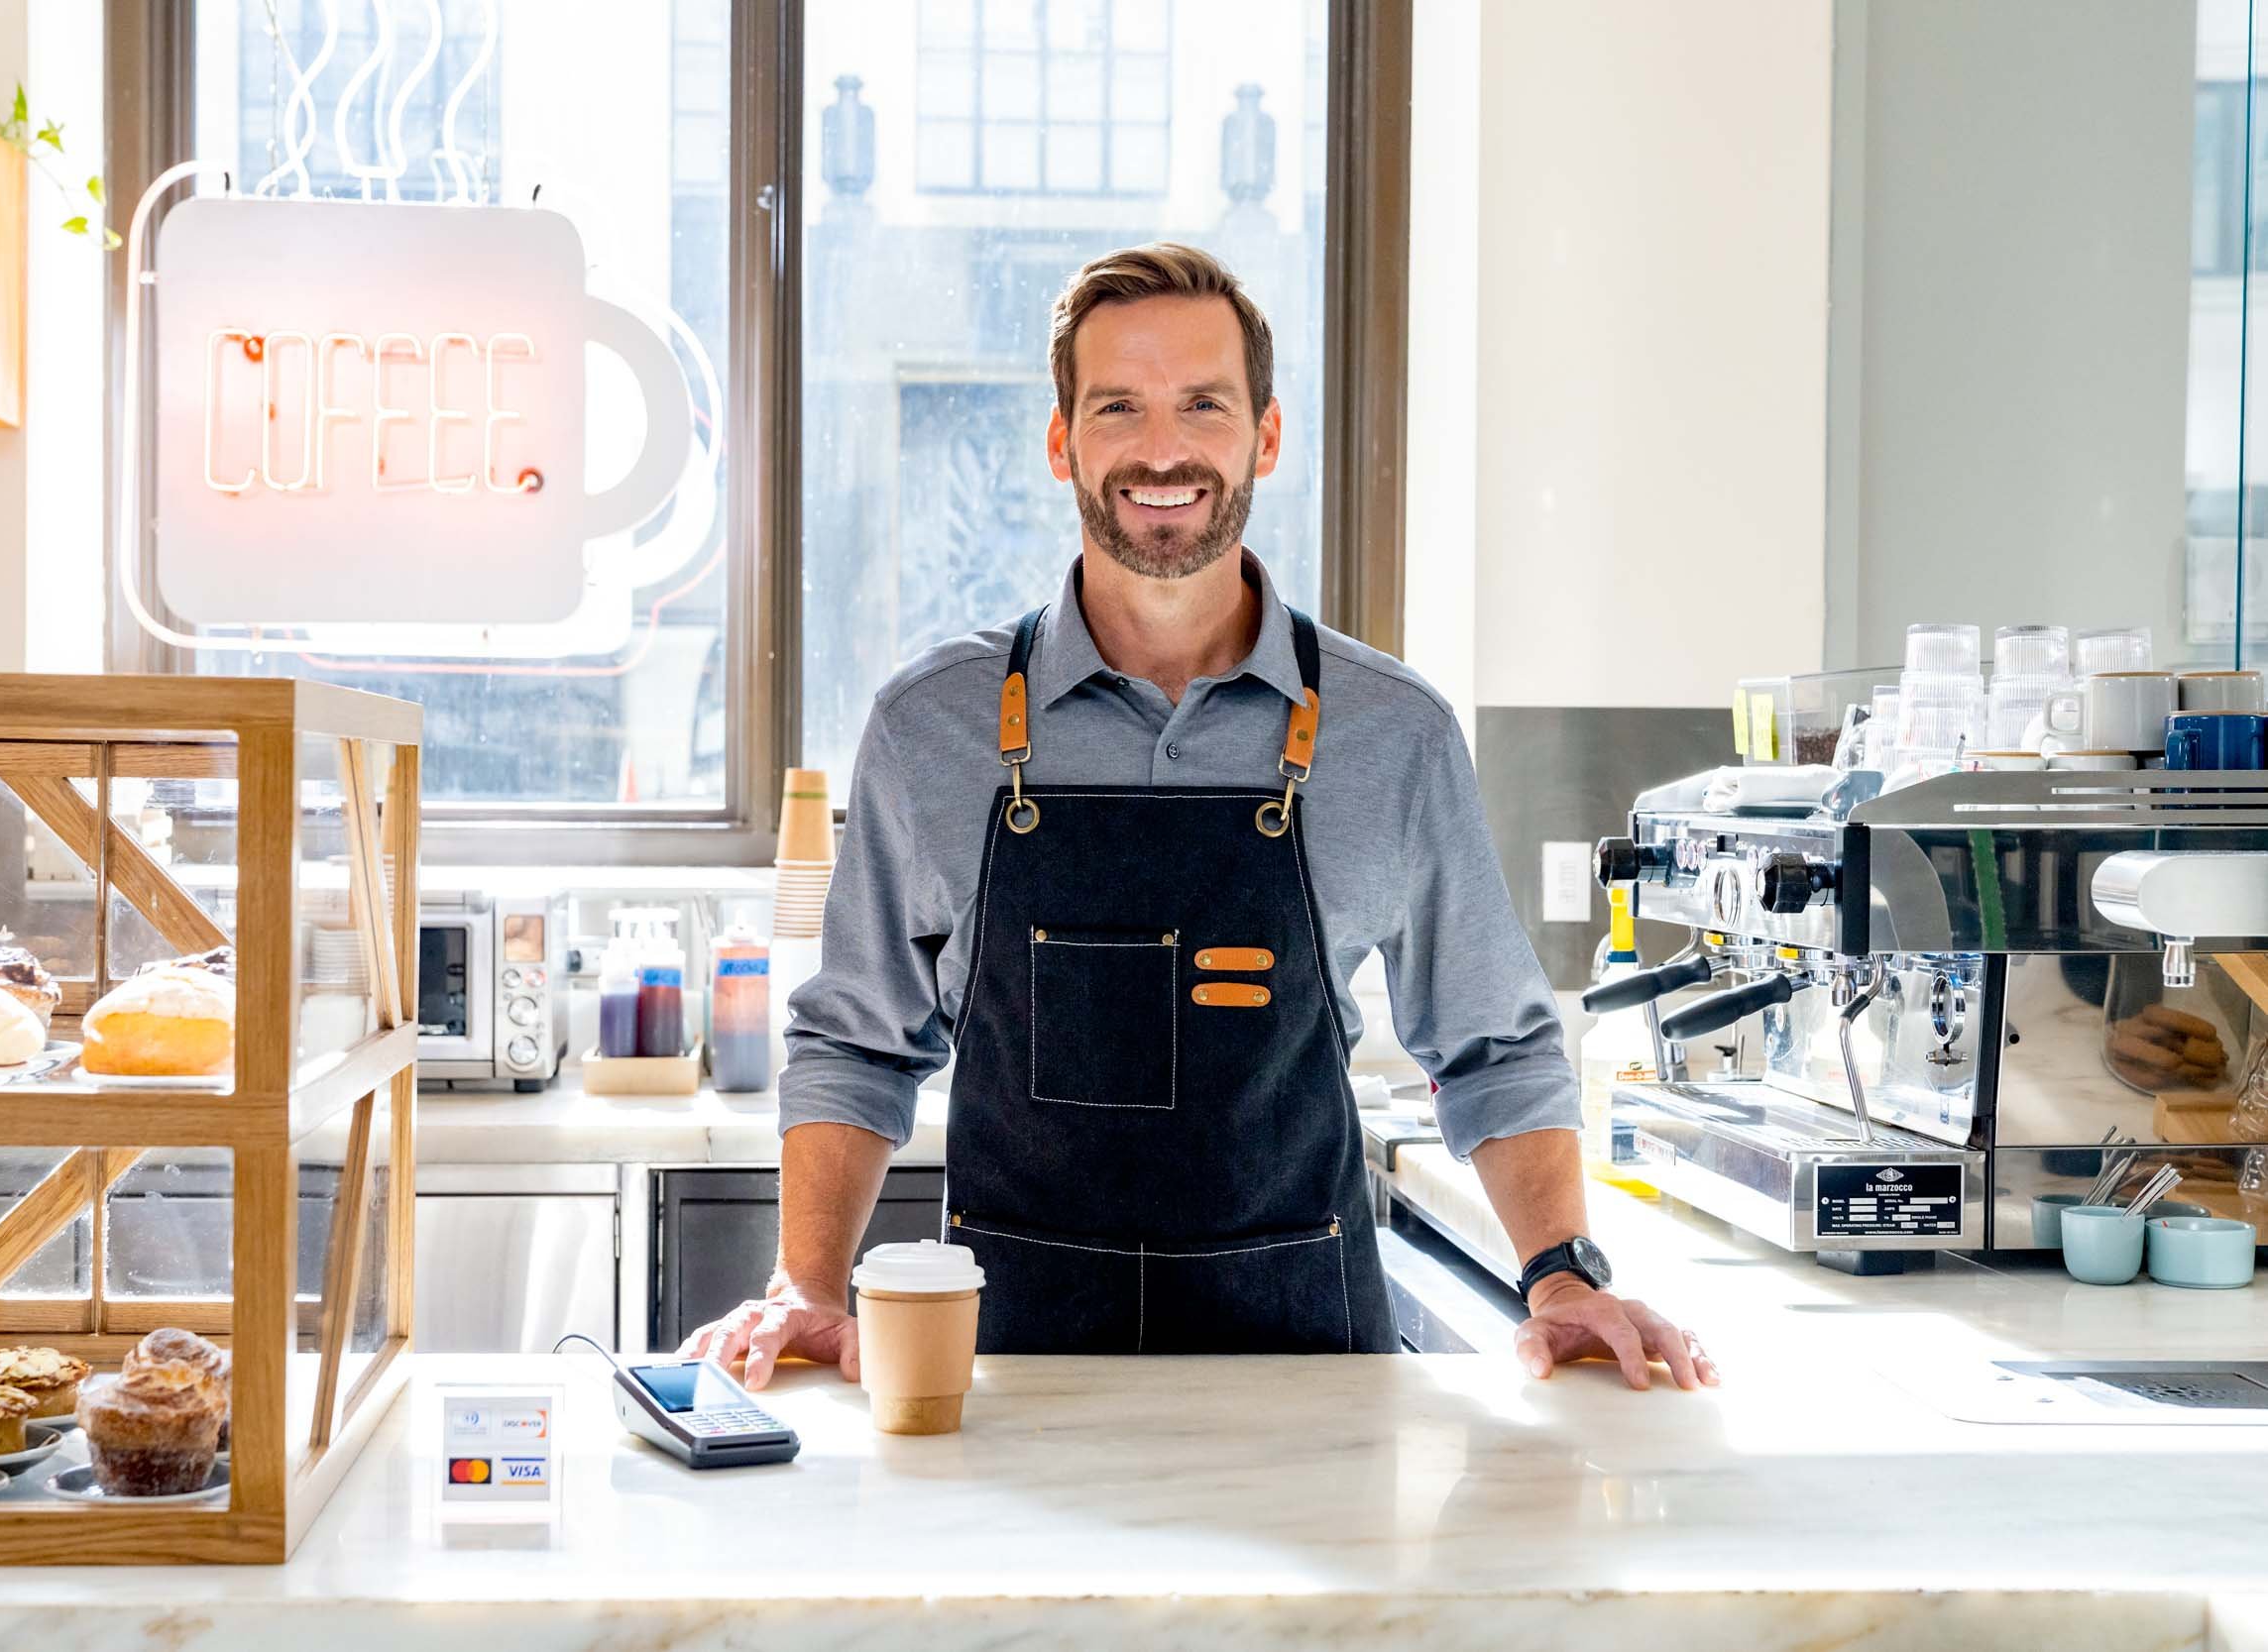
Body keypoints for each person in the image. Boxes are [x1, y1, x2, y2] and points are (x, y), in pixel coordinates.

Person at [687, 242, 1714, 1392]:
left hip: (1312, 1387)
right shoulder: (931, 727)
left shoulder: (1393, 732)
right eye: (1117, 405)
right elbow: (856, 1041)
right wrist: (810, 1286)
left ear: (1264, 436)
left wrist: (1564, 1273)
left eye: (1202, 406)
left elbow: (1495, 1044)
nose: (1162, 450)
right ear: (1061, 440)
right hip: (1011, 1387)